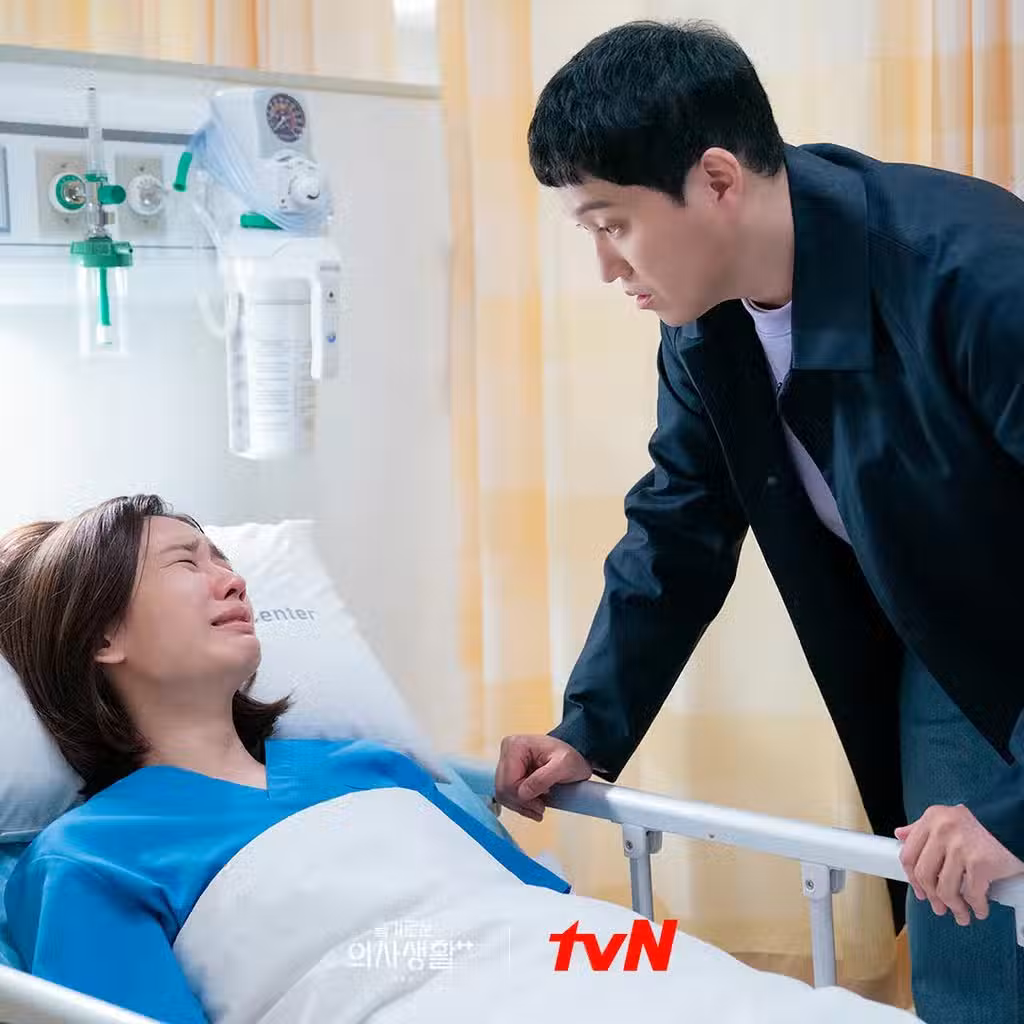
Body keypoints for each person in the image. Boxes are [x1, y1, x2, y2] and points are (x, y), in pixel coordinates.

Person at [494, 19, 1024, 1024]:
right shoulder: (705, 324)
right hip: (952, 645)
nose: (605, 268)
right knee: (969, 954)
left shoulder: (975, 274)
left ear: (717, 180)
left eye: (613, 224)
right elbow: (679, 525)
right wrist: (589, 728)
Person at [0, 495, 568, 1023]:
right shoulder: (90, 857)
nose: (234, 582)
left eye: (223, 562)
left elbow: (544, 924)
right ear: (103, 637)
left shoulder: (373, 766)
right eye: (186, 563)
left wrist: (628, 956)